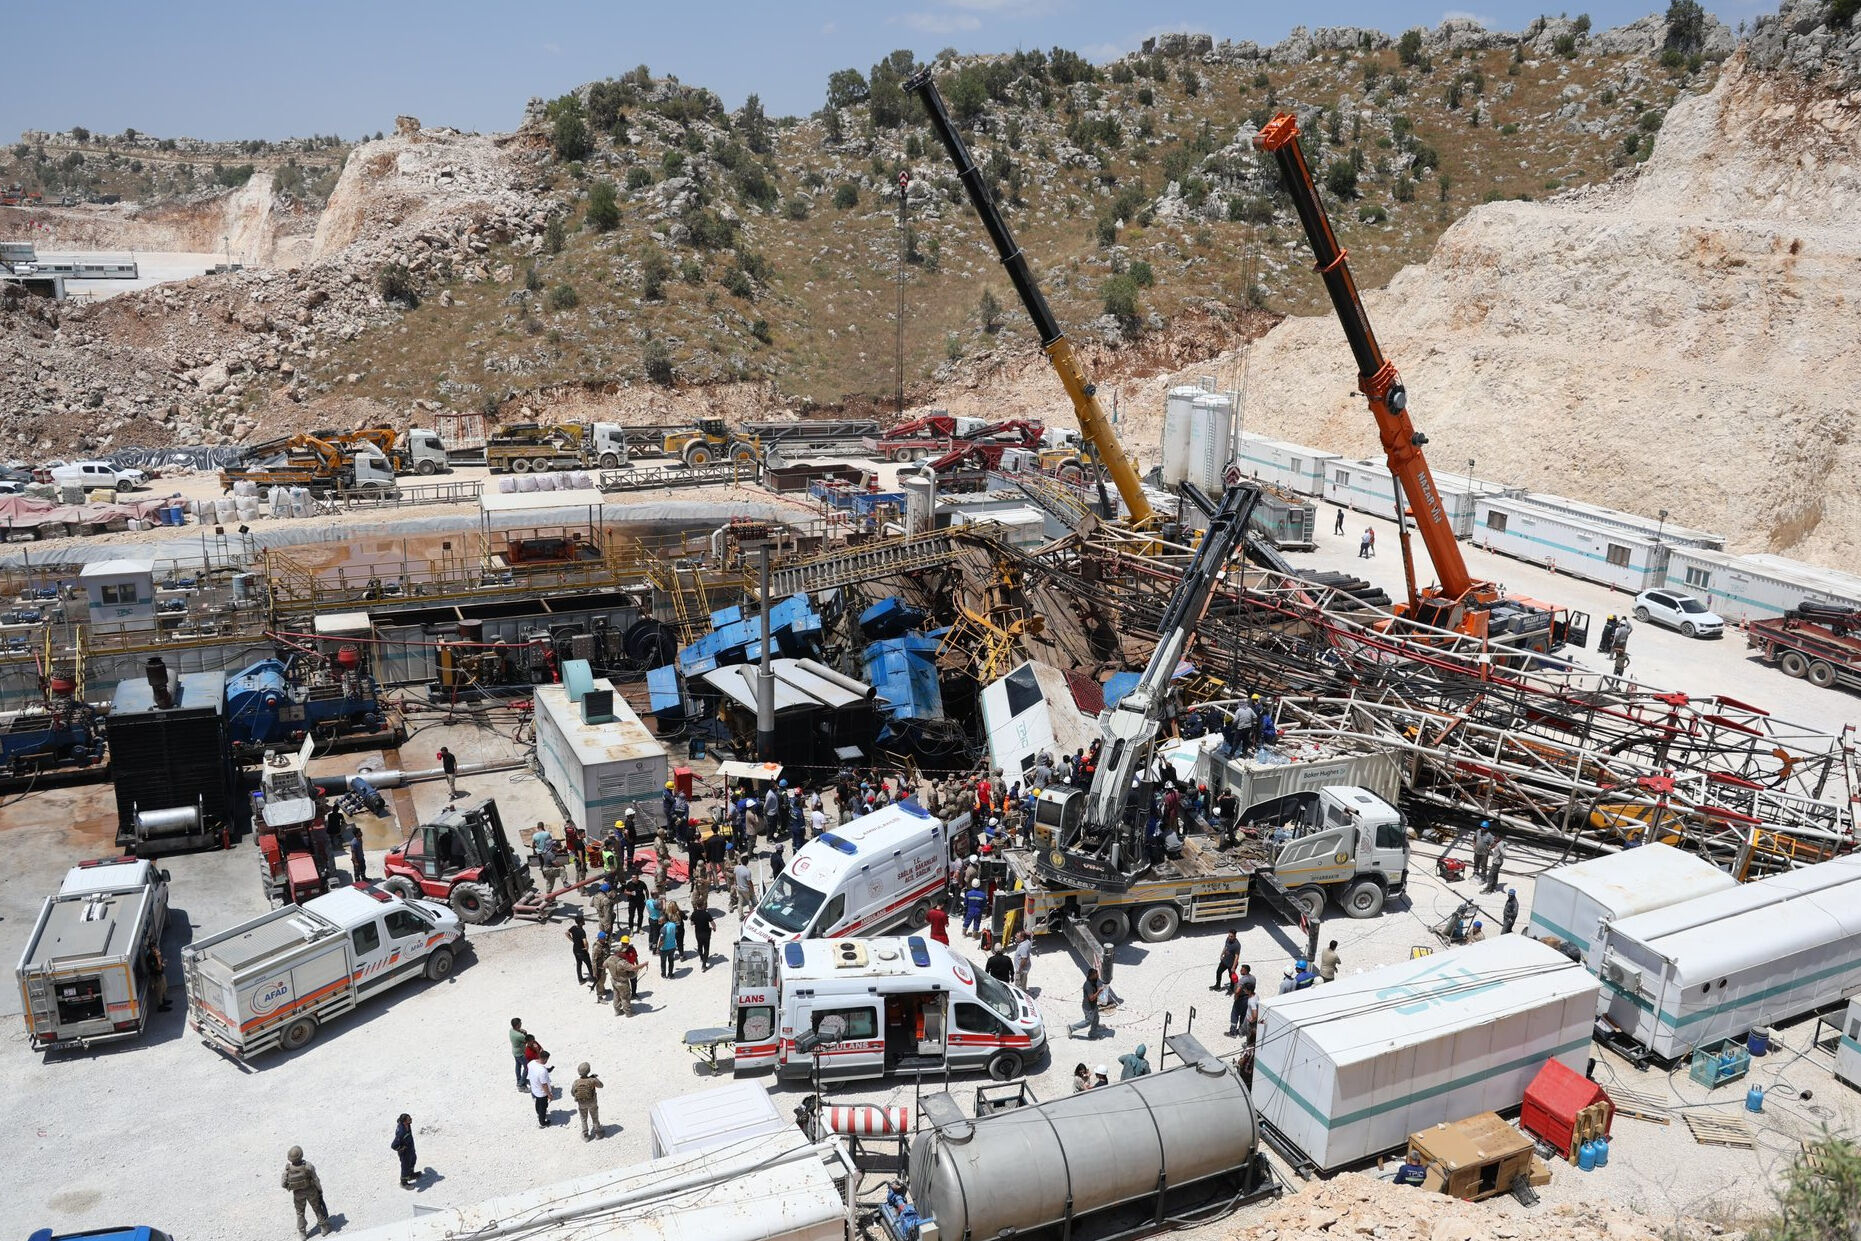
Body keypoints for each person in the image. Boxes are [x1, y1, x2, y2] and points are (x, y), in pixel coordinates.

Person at [282, 1145, 332, 1239]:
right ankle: (324, 1228)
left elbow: (283, 1184)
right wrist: (320, 1190)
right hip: (311, 1191)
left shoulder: (288, 1169)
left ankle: (302, 1233)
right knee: (317, 1208)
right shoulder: (308, 1166)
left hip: (298, 1194)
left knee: (300, 1212)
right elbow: (316, 1179)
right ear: (301, 1155)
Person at [571, 1062, 605, 1141]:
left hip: (581, 1104)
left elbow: (573, 1093)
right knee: (595, 1117)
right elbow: (601, 1085)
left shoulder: (576, 1082)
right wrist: (595, 1078)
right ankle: (598, 1133)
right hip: (592, 1102)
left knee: (583, 1118)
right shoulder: (592, 1080)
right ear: (589, 1070)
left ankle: (585, 1135)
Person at [1068, 967, 1103, 1039]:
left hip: (1093, 1006)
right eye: (1096, 975)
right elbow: (1091, 998)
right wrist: (1099, 991)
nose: (1098, 976)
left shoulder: (1093, 981)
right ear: (1092, 975)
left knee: (1096, 1019)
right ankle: (1071, 1028)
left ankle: (1092, 1034)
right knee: (1088, 1021)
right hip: (1088, 1007)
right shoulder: (1088, 985)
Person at [527, 1051, 554, 1127]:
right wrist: (549, 1094)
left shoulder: (531, 1063)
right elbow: (544, 1085)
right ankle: (542, 1122)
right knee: (543, 1107)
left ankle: (538, 1113)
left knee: (538, 1103)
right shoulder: (542, 1071)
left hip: (534, 1088)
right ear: (545, 1059)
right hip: (541, 1092)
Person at [566, 913, 593, 985]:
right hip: (582, 951)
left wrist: (572, 940)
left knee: (579, 964)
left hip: (575, 949)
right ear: (581, 922)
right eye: (583, 920)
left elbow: (566, 933)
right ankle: (593, 977)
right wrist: (586, 948)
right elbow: (585, 941)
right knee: (589, 964)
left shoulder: (573, 928)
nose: (584, 921)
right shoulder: (582, 931)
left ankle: (580, 980)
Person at [392, 1112, 417, 1187]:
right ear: (404, 1122)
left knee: (413, 1159)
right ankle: (404, 1182)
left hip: (410, 1148)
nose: (411, 1120)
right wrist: (401, 1148)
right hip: (405, 1153)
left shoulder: (407, 1125)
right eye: (409, 1119)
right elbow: (394, 1145)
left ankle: (410, 1174)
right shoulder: (401, 1132)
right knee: (405, 1166)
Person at [145, 943, 170, 1012]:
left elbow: (161, 964)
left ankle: (164, 1000)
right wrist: (158, 957)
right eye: (153, 949)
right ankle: (160, 1006)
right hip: (156, 977)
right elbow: (158, 968)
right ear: (150, 950)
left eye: (155, 948)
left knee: (164, 987)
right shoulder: (150, 958)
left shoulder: (156, 955)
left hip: (161, 974)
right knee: (159, 991)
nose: (155, 950)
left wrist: (163, 962)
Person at [508, 1017, 531, 1090]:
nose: (521, 1024)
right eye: (520, 1023)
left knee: (518, 1066)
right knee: (527, 1068)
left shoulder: (511, 1030)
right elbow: (526, 1040)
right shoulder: (519, 1036)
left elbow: (519, 1031)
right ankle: (521, 1085)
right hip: (521, 1054)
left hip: (515, 1052)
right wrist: (525, 1032)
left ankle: (519, 1080)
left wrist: (520, 1030)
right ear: (517, 1025)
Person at [692, 901, 716, 969]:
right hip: (706, 933)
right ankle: (704, 965)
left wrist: (697, 922)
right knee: (706, 948)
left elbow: (691, 923)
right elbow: (713, 923)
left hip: (698, 933)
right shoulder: (706, 913)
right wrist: (714, 928)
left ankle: (701, 957)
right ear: (703, 906)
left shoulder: (694, 913)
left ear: (697, 906)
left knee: (699, 945)